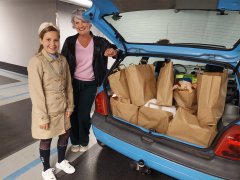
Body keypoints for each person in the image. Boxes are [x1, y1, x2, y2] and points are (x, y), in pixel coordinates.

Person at [61, 8, 118, 153]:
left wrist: (113, 52)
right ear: (74, 24)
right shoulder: (69, 42)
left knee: (84, 114)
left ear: (90, 23)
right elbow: (61, 63)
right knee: (72, 113)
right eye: (77, 22)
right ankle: (74, 141)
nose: (81, 25)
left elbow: (115, 50)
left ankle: (84, 140)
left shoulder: (100, 42)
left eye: (84, 21)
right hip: (72, 84)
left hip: (90, 84)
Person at [28, 22, 75, 180]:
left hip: (63, 108)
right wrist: (43, 117)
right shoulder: (36, 61)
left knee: (65, 134)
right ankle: (46, 168)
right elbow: (36, 92)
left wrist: (70, 105)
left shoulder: (62, 60)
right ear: (41, 40)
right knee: (46, 140)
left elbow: (68, 85)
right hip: (47, 110)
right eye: (48, 39)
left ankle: (61, 161)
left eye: (56, 40)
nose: (52, 44)